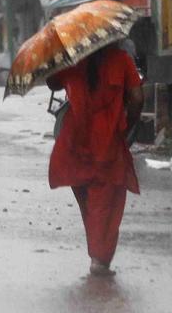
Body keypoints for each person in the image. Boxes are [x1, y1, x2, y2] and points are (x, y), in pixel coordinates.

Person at [46, 43, 144, 276]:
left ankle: (97, 255)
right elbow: (137, 98)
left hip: (73, 142)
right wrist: (128, 123)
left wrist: (57, 58)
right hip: (107, 142)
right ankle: (99, 260)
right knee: (106, 205)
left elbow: (51, 82)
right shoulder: (121, 60)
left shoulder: (72, 61)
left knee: (89, 205)